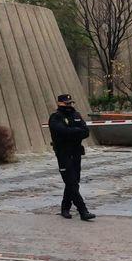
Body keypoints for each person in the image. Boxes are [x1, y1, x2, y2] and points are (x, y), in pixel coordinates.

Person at [49, 93, 95, 221]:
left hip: (76, 152)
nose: (69, 105)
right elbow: (62, 132)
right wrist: (76, 132)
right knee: (71, 182)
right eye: (66, 103)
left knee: (74, 181)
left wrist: (73, 132)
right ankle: (83, 211)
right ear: (59, 103)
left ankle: (65, 207)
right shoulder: (56, 117)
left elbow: (85, 131)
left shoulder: (76, 115)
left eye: (70, 103)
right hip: (63, 153)